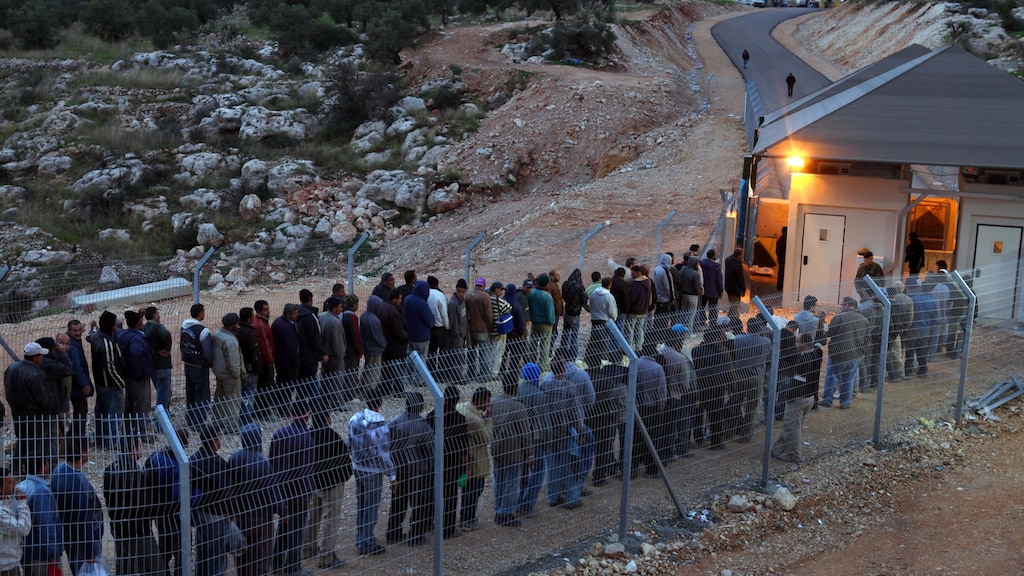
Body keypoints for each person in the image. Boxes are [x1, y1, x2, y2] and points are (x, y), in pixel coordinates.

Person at [228, 423, 281, 576]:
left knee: (242, 553)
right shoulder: (263, 462)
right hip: (261, 518)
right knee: (260, 555)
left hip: (240, 516)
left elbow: (229, 487)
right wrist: (282, 510)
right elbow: (272, 492)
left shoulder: (234, 458)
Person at [104, 435, 161, 576]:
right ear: (133, 450)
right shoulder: (136, 474)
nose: (142, 449)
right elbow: (143, 505)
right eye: (140, 446)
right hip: (138, 531)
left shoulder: (110, 469)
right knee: (154, 568)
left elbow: (108, 498)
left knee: (124, 566)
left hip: (119, 527)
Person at [269, 400, 315, 574]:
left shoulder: (279, 434)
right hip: (298, 493)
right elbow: (306, 472)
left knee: (283, 527)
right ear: (308, 414)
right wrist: (305, 497)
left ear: (290, 412)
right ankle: (293, 568)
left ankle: (277, 564)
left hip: (281, 491)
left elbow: (272, 464)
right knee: (296, 531)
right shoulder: (307, 439)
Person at [348, 391, 394, 556]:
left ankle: (361, 537)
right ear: (380, 402)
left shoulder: (355, 418)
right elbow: (384, 453)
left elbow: (349, 442)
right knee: (371, 507)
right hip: (372, 471)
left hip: (358, 467)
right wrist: (392, 475)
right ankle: (367, 544)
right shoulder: (380, 423)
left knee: (362, 504)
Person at [51, 434, 103, 576]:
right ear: (82, 453)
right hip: (83, 542)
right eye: (88, 450)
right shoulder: (78, 482)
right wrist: (90, 551)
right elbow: (84, 520)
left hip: (70, 537)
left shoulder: (58, 471)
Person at [387, 391, 433, 546]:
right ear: (419, 407)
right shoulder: (423, 427)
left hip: (400, 469)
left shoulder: (395, 422)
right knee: (419, 504)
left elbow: (387, 443)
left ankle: (393, 532)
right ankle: (416, 535)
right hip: (418, 472)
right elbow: (431, 453)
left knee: (398, 502)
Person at [305, 411, 350, 569]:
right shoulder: (333, 437)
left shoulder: (308, 435)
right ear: (327, 419)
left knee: (312, 516)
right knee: (330, 519)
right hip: (332, 485)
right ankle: (326, 557)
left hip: (313, 484)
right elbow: (345, 462)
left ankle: (307, 549)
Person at [5, 342, 56, 476]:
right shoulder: (36, 374)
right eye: (41, 356)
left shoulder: (12, 368)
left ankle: (16, 469)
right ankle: (33, 471)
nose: (42, 358)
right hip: (35, 415)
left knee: (22, 441)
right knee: (36, 445)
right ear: (35, 357)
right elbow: (44, 400)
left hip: (18, 413)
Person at [191, 424, 234, 576]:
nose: (220, 441)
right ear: (214, 441)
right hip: (216, 516)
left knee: (202, 553)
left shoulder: (194, 460)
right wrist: (231, 513)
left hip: (199, 514)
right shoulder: (219, 464)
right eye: (219, 437)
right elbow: (226, 493)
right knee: (217, 557)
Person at [541, 356, 585, 508]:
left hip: (549, 433)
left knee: (552, 466)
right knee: (570, 465)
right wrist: (580, 431)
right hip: (565, 432)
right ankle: (572, 499)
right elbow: (575, 413)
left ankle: (552, 498)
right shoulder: (569, 387)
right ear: (563, 368)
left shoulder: (545, 386)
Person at [145, 430, 190, 576]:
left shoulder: (154, 458)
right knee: (181, 551)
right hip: (176, 514)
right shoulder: (179, 466)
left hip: (160, 514)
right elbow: (179, 494)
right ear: (184, 444)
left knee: (164, 549)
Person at [772, 334, 823, 462]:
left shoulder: (803, 360)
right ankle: (778, 449)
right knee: (792, 425)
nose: (795, 344)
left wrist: (790, 396)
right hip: (809, 397)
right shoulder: (816, 354)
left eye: (797, 342)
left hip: (798, 398)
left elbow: (798, 381)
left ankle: (793, 454)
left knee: (791, 427)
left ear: (804, 343)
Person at [427, 386, 467, 538]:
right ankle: (448, 528)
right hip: (452, 462)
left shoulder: (433, 415)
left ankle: (428, 523)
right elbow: (463, 446)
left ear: (444, 399)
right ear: (456, 401)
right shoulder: (460, 419)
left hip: (434, 460)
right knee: (450, 496)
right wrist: (466, 467)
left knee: (432, 493)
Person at [491, 378, 531, 527]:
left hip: (497, 447)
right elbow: (525, 434)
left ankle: (498, 508)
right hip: (514, 451)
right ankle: (505, 513)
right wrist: (530, 453)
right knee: (512, 483)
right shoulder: (519, 407)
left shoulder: (494, 402)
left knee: (499, 480)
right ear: (515, 388)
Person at [820, 297, 870, 408]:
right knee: (849, 380)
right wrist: (861, 351)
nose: (840, 307)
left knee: (832, 377)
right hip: (855, 354)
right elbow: (867, 339)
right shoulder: (864, 319)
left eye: (842, 304)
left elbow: (829, 333)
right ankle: (845, 402)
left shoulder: (839, 318)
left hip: (838, 353)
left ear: (847, 305)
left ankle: (828, 400)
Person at [18, 456, 63, 576]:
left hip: (27, 551)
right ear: (42, 468)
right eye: (47, 463)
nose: (49, 466)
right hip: (41, 557)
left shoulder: (21, 487)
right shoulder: (41, 491)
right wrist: (53, 554)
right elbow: (46, 526)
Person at [457, 387, 493, 531]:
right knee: (474, 491)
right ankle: (467, 519)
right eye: (487, 401)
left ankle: (466, 517)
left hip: (464, 458)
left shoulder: (462, 407)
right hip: (475, 460)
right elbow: (488, 437)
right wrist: (489, 419)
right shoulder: (475, 420)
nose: (488, 404)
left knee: (467, 490)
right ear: (480, 400)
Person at [117, 309, 155, 438]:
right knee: (142, 405)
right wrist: (139, 373)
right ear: (139, 322)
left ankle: (128, 430)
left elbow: (117, 332)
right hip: (138, 377)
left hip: (128, 375)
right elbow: (136, 354)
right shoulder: (137, 339)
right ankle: (142, 433)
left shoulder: (123, 334)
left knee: (129, 403)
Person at [212, 313, 245, 434]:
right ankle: (232, 427)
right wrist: (237, 374)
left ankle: (217, 422)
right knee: (234, 401)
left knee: (219, 399)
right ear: (232, 326)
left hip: (219, 372)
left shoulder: (217, 334)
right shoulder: (230, 341)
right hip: (230, 375)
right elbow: (233, 362)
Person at [182, 303, 214, 427]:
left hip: (188, 364)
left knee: (190, 393)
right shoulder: (203, 331)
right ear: (200, 313)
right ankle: (199, 422)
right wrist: (210, 363)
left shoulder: (184, 327)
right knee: (202, 394)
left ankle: (190, 419)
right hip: (200, 366)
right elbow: (208, 352)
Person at [0, 466, 31, 576]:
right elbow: (24, 528)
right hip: (6, 567)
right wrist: (22, 503)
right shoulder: (1, 514)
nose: (14, 485)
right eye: (9, 482)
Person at [66, 319, 94, 441]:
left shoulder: (71, 341)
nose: (78, 333)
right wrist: (85, 384)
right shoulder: (72, 347)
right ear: (69, 331)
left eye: (79, 330)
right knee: (81, 413)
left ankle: (73, 438)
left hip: (74, 385)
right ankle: (77, 440)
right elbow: (76, 368)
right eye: (75, 331)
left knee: (79, 413)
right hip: (77, 387)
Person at [271, 304, 301, 414]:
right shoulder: (286, 327)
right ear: (288, 314)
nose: (297, 315)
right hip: (287, 363)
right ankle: (283, 410)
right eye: (295, 313)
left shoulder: (278, 322)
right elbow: (291, 347)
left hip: (280, 361)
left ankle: (279, 406)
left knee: (281, 384)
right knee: (287, 387)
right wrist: (296, 362)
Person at [144, 306, 174, 412]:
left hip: (152, 365)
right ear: (153, 315)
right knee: (163, 395)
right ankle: (161, 423)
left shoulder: (144, 328)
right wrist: (166, 349)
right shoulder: (158, 327)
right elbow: (166, 335)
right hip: (162, 365)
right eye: (157, 313)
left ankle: (165, 415)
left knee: (161, 390)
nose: (159, 315)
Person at [318, 297, 346, 409]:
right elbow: (338, 342)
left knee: (325, 379)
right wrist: (341, 355)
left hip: (325, 354)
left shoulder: (322, 316)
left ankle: (323, 401)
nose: (341, 309)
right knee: (337, 381)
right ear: (334, 308)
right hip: (335, 356)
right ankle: (337, 403)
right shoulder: (335, 322)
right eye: (339, 307)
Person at [296, 289, 326, 391]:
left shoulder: (296, 314)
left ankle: (302, 405)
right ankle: (316, 404)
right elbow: (316, 337)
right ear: (310, 299)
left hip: (299, 355)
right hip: (310, 356)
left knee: (302, 385)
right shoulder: (311, 316)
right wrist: (322, 353)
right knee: (312, 382)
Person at [236, 307, 261, 426]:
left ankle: (240, 417)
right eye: (252, 315)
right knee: (249, 394)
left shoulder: (237, 331)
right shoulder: (250, 333)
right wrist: (258, 368)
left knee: (241, 394)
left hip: (240, 368)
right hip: (250, 369)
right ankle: (246, 419)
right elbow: (254, 353)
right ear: (249, 318)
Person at [253, 300, 277, 420]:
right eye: (265, 310)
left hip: (262, 362)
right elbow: (265, 346)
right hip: (265, 362)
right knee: (266, 387)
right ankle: (265, 413)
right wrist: (270, 360)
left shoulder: (260, 322)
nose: (268, 312)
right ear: (259, 311)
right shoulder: (261, 325)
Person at [466, 277, 494, 381]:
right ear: (484, 285)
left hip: (471, 329)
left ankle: (471, 373)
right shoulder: (485, 296)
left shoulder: (468, 295)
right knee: (484, 354)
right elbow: (489, 315)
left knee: (471, 353)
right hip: (483, 329)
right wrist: (490, 327)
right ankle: (484, 375)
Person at [359, 296, 387, 397]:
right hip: (375, 349)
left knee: (368, 369)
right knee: (373, 372)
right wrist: (384, 344)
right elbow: (378, 337)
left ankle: (363, 389)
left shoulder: (364, 316)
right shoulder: (374, 320)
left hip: (367, 347)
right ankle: (369, 392)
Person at [529, 274, 557, 372]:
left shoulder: (532, 293)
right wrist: (552, 322)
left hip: (534, 323)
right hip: (545, 324)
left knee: (532, 344)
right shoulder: (547, 296)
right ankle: (543, 366)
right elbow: (550, 313)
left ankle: (531, 363)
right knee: (545, 346)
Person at [403, 280, 434, 359]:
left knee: (411, 359)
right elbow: (430, 321)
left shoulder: (407, 299)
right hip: (422, 337)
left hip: (410, 335)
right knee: (421, 362)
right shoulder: (421, 303)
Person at [561, 269, 586, 360]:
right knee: (574, 336)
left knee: (565, 335)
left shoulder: (565, 284)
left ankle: (562, 354)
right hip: (575, 314)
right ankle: (572, 357)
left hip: (567, 312)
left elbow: (563, 296)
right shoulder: (580, 286)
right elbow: (584, 300)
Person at [700, 250, 724, 328]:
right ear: (713, 256)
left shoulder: (701, 264)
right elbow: (719, 280)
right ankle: (713, 323)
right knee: (713, 308)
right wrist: (720, 290)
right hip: (713, 291)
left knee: (701, 307)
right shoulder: (716, 267)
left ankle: (701, 321)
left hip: (703, 290)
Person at [724, 247, 746, 319]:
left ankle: (729, 320)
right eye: (741, 255)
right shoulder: (737, 266)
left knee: (732, 305)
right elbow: (740, 279)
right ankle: (734, 322)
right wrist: (743, 289)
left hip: (728, 287)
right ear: (738, 255)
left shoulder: (728, 261)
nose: (742, 257)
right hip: (735, 289)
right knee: (735, 307)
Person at [776, 226, 788, 291]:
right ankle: (780, 286)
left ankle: (780, 286)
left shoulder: (782, 239)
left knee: (782, 272)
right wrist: (781, 258)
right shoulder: (783, 240)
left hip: (782, 259)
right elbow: (779, 250)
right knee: (781, 273)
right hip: (782, 259)